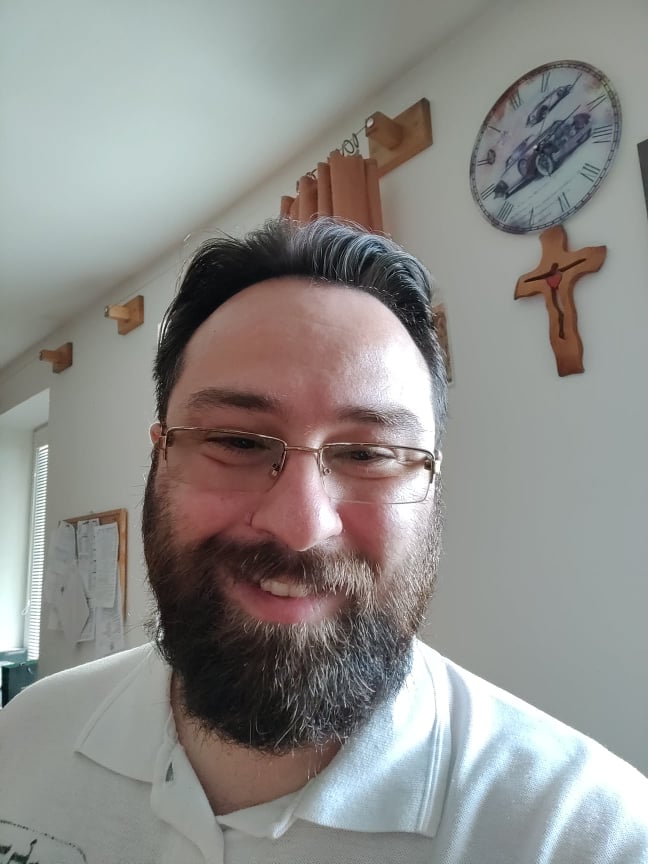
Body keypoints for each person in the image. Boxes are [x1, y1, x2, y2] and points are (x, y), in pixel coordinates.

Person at [1, 218, 646, 863]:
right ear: (159, 457)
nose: (302, 525)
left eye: (368, 454)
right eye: (237, 441)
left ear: (432, 482)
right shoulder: (24, 735)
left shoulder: (587, 836)